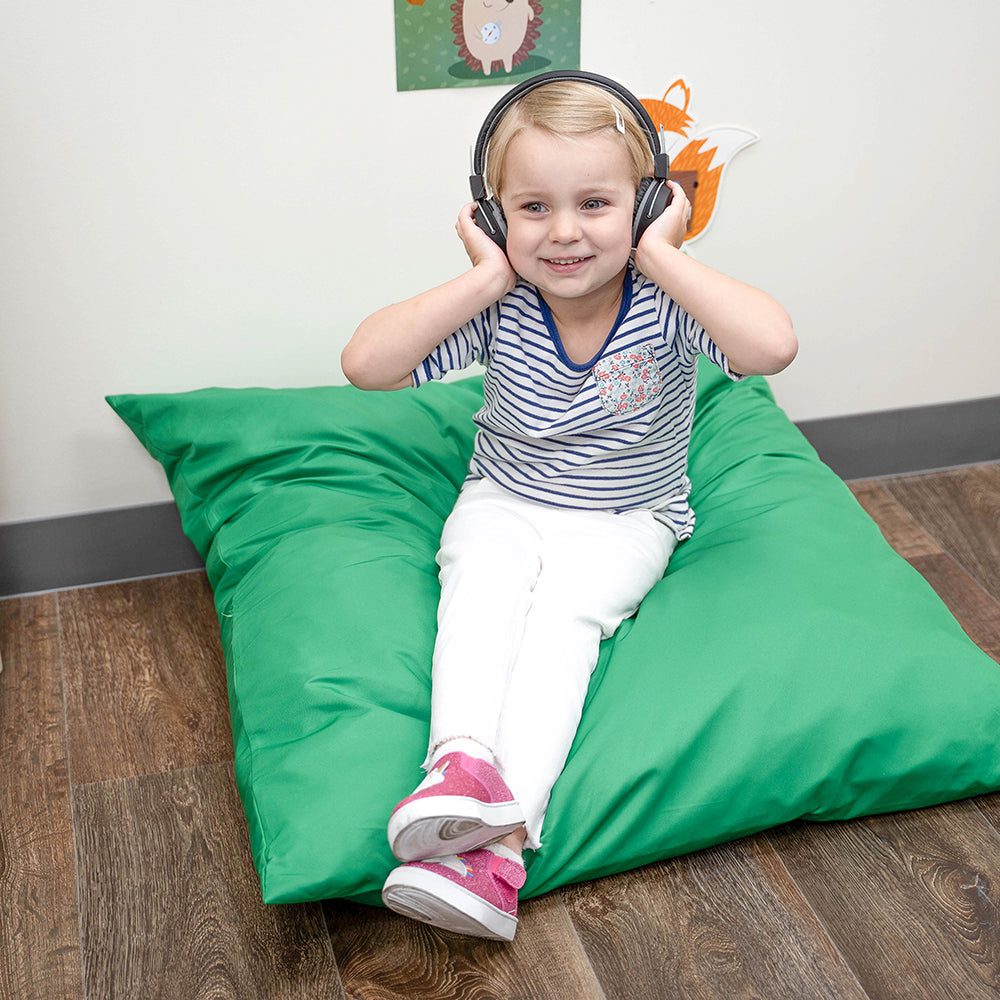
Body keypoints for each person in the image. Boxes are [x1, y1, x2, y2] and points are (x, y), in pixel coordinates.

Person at [341, 71, 797, 941]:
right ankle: (460, 767)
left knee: (559, 626)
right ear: (492, 216)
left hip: (629, 518)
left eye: (595, 202)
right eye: (533, 208)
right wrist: (482, 278)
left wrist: (662, 251)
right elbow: (367, 365)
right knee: (480, 589)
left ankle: (502, 846)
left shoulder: (664, 303)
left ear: (647, 204)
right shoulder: (504, 301)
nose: (564, 232)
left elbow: (771, 344)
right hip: (504, 497)